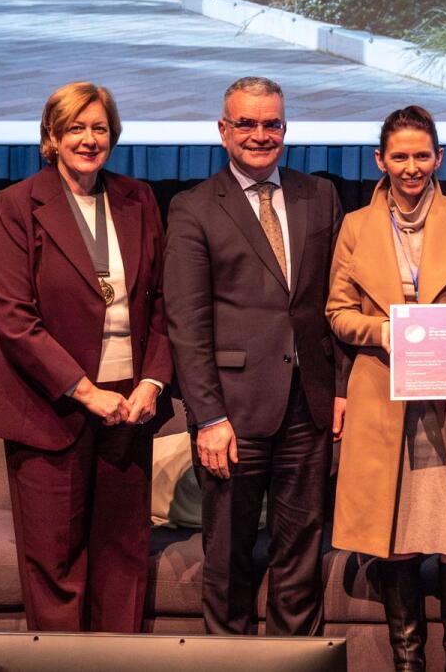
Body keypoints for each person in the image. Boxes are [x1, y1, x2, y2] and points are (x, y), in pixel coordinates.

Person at [327, 106, 446, 671]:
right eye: (400, 156)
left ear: (439, 159)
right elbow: (337, 312)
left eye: (422, 156)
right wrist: (386, 331)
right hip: (384, 396)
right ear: (379, 161)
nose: (411, 167)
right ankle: (408, 663)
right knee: (397, 534)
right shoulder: (356, 226)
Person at [0, 81, 172, 632]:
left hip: (128, 410)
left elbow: (162, 302)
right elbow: (14, 319)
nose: (89, 140)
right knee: (56, 566)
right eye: (76, 129)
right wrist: (87, 393)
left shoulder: (138, 198)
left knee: (123, 558)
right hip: (52, 411)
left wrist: (153, 382)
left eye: (100, 128)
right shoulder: (15, 205)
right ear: (52, 137)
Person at [162, 76, 346, 637]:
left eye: (272, 124)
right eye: (247, 123)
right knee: (227, 557)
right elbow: (187, 323)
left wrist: (341, 390)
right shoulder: (193, 207)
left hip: (309, 406)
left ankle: (295, 663)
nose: (260, 135)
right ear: (223, 130)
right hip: (233, 415)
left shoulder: (320, 195)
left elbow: (336, 302)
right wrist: (208, 418)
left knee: (301, 556)